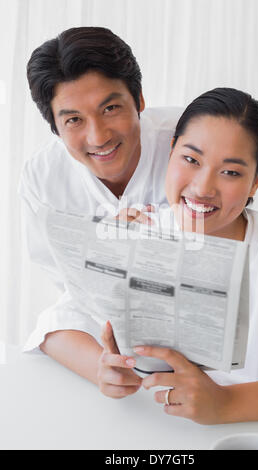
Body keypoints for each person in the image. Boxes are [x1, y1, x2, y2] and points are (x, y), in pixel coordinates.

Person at [113, 88, 258, 424]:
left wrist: (225, 403)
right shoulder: (140, 229)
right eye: (191, 159)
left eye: (230, 172)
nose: (202, 188)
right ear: (171, 151)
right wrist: (112, 367)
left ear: (257, 180)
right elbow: (66, 324)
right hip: (145, 427)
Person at [19, 26, 181, 393]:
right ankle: (109, 372)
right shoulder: (42, 178)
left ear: (139, 98)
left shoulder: (190, 141)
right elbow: (71, 283)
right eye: (74, 119)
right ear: (55, 127)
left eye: (110, 108)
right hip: (104, 310)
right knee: (55, 324)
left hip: (190, 307)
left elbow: (232, 235)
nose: (98, 137)